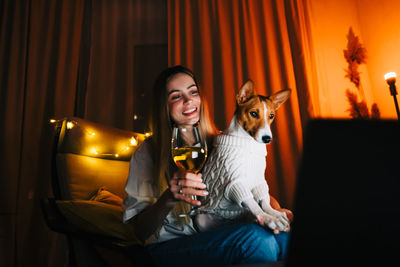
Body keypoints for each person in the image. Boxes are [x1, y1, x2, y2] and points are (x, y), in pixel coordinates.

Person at [123, 65, 291, 266]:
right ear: (164, 106)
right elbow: (140, 232)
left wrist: (275, 209)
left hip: (214, 235)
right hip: (167, 247)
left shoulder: (222, 142)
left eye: (193, 92)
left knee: (286, 238)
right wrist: (170, 197)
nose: (188, 100)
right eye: (176, 96)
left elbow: (250, 186)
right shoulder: (149, 152)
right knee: (258, 241)